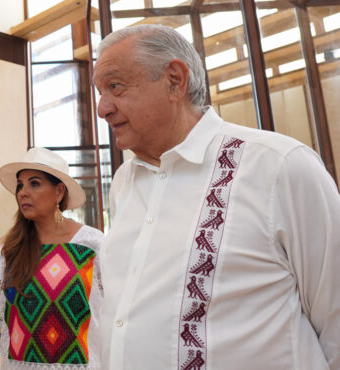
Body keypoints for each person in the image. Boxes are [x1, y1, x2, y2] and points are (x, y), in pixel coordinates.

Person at [93, 24, 340, 369]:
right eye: (99, 92)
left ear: (174, 80)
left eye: (114, 87)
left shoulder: (278, 166)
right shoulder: (123, 183)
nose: (102, 108)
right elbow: (108, 315)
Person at [0, 148, 105, 369]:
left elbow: (111, 312)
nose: (22, 192)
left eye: (34, 183)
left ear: (59, 191)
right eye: (20, 185)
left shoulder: (91, 244)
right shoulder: (9, 249)